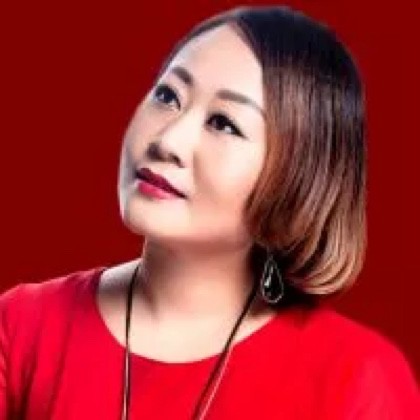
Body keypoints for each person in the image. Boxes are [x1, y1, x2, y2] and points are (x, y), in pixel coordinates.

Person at [0, 5, 419, 420]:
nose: (168, 140)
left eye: (223, 123)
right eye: (168, 96)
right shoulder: (23, 326)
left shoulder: (357, 381)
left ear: (298, 175)